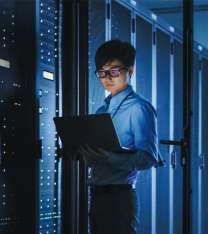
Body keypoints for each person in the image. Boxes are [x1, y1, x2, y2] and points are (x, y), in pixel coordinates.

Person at [78, 39, 159, 234]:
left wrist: (109, 158)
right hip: (96, 194)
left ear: (130, 69)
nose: (107, 78)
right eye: (102, 72)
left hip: (119, 197)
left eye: (114, 71)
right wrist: (86, 154)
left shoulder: (139, 108)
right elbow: (97, 155)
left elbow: (148, 159)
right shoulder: (101, 110)